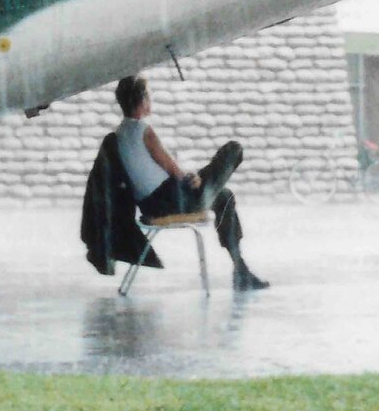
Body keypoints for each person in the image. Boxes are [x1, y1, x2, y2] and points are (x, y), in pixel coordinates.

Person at [107, 73, 267, 290]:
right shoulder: (144, 131)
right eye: (149, 96)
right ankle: (240, 271)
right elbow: (172, 169)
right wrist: (194, 180)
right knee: (233, 149)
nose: (150, 100)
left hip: (152, 202)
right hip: (171, 201)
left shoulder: (121, 132)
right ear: (142, 99)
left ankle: (241, 269)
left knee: (224, 197)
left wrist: (192, 178)